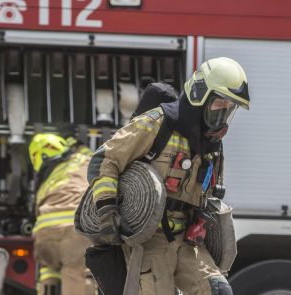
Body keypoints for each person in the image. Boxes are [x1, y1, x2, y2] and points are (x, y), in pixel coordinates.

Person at [87, 57, 250, 294]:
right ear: (199, 94)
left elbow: (211, 193)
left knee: (217, 290)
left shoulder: (212, 145)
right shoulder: (156, 124)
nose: (224, 112)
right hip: (147, 240)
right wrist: (107, 212)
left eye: (230, 107)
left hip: (187, 240)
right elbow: (104, 160)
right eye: (219, 103)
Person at [29, 133, 95, 295]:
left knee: (49, 271)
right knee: (76, 273)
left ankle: (47, 287)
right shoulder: (80, 161)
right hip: (73, 234)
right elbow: (100, 156)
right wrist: (77, 142)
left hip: (44, 238)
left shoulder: (46, 182)